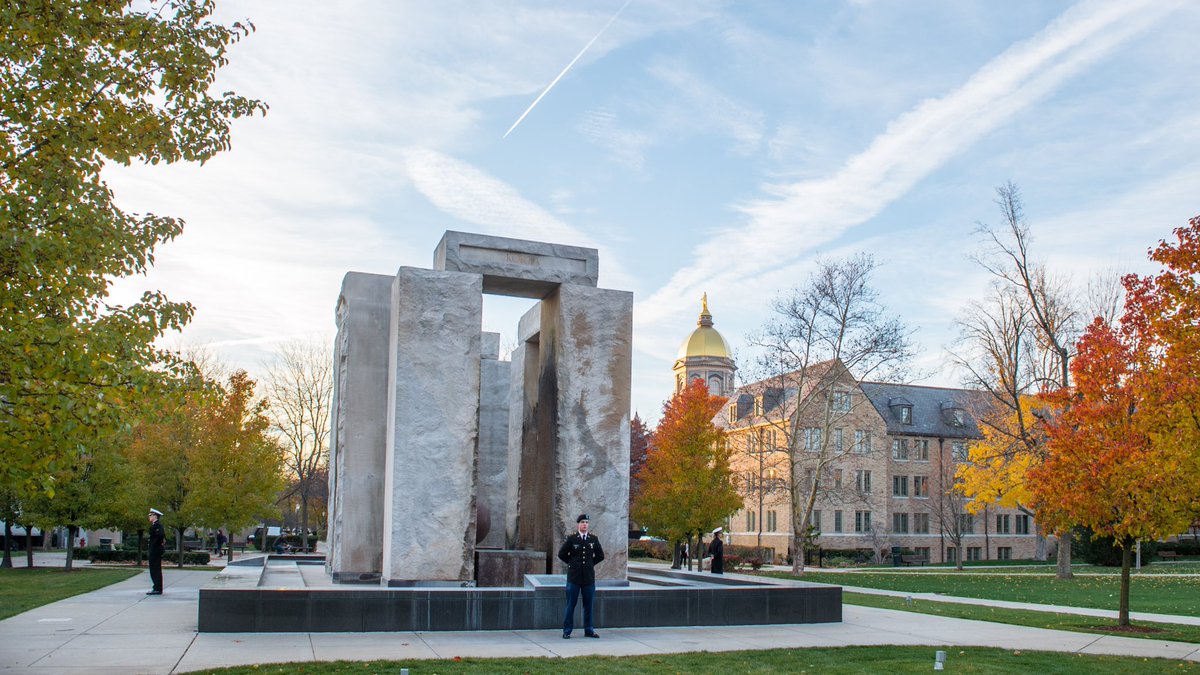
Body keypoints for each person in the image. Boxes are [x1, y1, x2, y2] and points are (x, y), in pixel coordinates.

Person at [557, 513, 604, 639]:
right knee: (570, 605)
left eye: (587, 522)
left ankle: (589, 630)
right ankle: (567, 631)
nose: (585, 524)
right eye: (583, 522)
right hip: (574, 578)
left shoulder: (593, 539)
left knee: (588, 605)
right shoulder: (572, 538)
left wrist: (589, 565)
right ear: (578, 524)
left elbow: (600, 556)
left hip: (588, 578)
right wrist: (572, 564)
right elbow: (561, 554)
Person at [147, 508, 165, 595]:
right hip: (154, 550)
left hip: (155, 551)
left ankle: (157, 588)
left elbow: (160, 537)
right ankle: (156, 587)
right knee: (154, 569)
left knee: (155, 570)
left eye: (150, 515)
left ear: (155, 516)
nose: (149, 517)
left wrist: (156, 547)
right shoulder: (155, 526)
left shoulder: (157, 526)